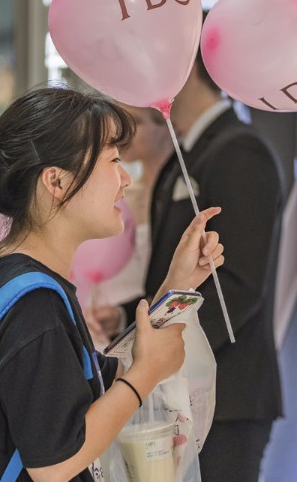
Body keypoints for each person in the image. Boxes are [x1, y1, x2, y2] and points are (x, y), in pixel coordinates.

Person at [0, 86, 225, 481]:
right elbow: (55, 463)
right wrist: (146, 374)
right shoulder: (33, 305)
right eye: (113, 160)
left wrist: (176, 285)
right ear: (56, 182)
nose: (125, 179)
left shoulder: (8, 279)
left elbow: (100, 378)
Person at [113, 52, 287, 481]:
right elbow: (171, 278)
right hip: (182, 390)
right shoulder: (188, 153)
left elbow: (237, 288)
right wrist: (125, 319)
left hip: (227, 396)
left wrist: (157, 352)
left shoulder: (241, 151)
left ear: (185, 65)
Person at [82, 103, 174, 347]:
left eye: (137, 121)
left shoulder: (177, 198)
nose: (126, 132)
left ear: (166, 126)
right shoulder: (117, 195)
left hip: (151, 321)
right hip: (104, 317)